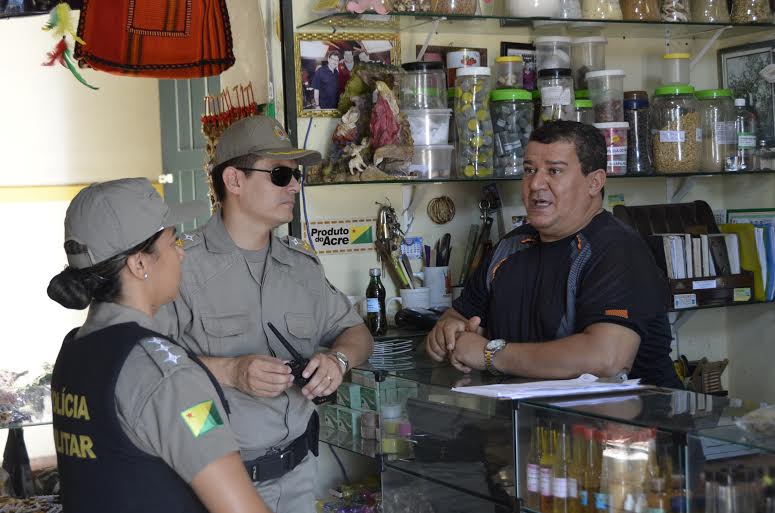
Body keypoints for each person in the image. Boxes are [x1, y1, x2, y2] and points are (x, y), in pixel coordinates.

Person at [158, 115, 374, 513]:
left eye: (295, 176)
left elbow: (357, 332)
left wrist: (338, 360)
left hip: (297, 475)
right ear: (234, 181)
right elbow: (147, 366)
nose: (293, 185)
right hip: (214, 484)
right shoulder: (181, 267)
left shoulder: (302, 267)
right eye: (279, 174)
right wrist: (230, 371)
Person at [46, 178, 273, 513]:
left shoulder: (74, 351)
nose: (181, 253)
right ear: (139, 264)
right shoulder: (166, 375)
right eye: (173, 241)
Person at [426, 121, 681, 388]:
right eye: (529, 170)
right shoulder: (511, 245)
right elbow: (457, 318)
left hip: (635, 422)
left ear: (594, 182)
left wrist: (490, 354)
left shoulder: (617, 249)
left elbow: (607, 358)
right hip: (532, 420)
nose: (535, 183)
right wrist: (448, 335)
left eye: (554, 171)